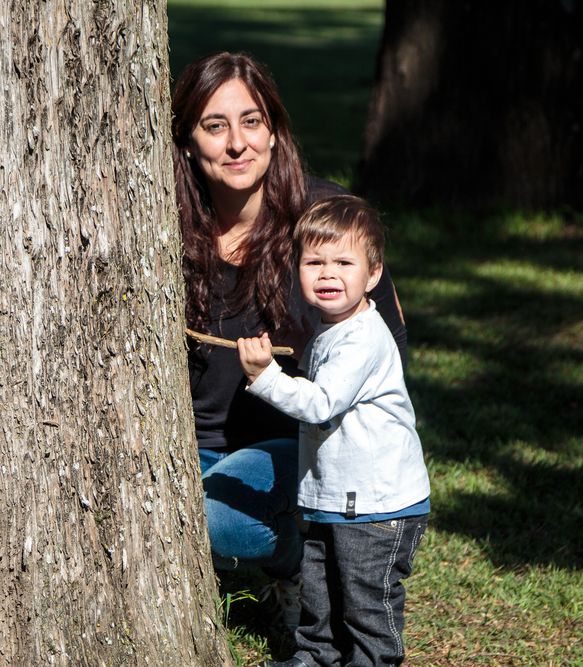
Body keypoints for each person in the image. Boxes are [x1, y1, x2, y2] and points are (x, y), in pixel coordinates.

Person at [171, 51, 409, 626]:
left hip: (290, 443)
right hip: (177, 442)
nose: (237, 144)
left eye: (252, 121)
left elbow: (388, 351)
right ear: (187, 141)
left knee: (212, 523)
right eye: (215, 125)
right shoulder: (155, 220)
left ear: (274, 132)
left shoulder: (327, 223)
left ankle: (300, 562)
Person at [237, 195, 430, 667]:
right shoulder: (332, 330)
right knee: (320, 592)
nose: (328, 273)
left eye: (344, 262)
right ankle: (317, 657)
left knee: (365, 600)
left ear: (373, 274)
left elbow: (321, 405)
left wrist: (265, 378)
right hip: (338, 498)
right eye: (314, 261)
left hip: (379, 503)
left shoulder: (363, 337)